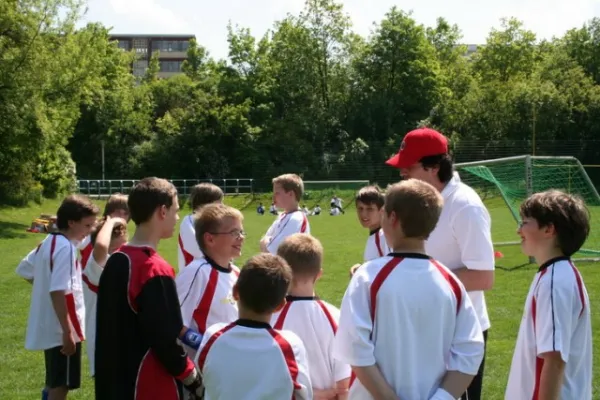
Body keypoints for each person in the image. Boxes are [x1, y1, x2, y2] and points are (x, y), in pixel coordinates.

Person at [333, 179, 485, 400]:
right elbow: (470, 351)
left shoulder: (367, 277)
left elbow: (354, 349)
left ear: (392, 218)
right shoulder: (452, 282)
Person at [384, 128, 495, 400]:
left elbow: (483, 277)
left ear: (433, 167)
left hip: (460, 335)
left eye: (408, 167)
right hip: (423, 325)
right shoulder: (422, 203)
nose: (402, 174)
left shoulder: (465, 206)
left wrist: (421, 280)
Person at [94, 177, 203, 400]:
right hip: (146, 385)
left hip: (113, 381)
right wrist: (192, 376)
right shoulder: (154, 269)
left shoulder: (116, 259)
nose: (177, 217)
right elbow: (167, 337)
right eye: (176, 209)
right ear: (162, 211)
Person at [505, 190, 592, 400]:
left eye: (525, 222)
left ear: (549, 229)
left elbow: (554, 359)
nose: (519, 230)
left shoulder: (555, 282)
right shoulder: (555, 274)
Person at [195, 253, 312, 399]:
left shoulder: (213, 336)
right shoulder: (289, 345)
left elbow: (203, 373)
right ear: (280, 305)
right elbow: (304, 395)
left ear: (235, 292)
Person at [16, 195, 99, 400]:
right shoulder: (66, 249)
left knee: (54, 379)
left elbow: (25, 269)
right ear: (71, 222)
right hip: (63, 328)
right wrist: (67, 331)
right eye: (87, 225)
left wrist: (44, 288)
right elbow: (58, 290)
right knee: (61, 386)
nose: (89, 231)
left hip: (52, 325)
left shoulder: (49, 241)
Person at [273, 233, 351, 399]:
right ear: (319, 274)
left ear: (283, 273)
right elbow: (343, 386)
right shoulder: (336, 316)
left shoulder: (270, 316)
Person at [176, 203, 244, 361]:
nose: (241, 237)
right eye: (234, 232)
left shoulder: (237, 273)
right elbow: (174, 323)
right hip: (205, 370)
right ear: (210, 239)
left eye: (241, 231)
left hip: (231, 364)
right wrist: (210, 346)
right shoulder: (196, 272)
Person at [82, 216, 128, 377]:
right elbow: (101, 247)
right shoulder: (96, 264)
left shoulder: (115, 261)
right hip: (103, 343)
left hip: (115, 342)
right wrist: (111, 222)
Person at [260, 173, 310, 254]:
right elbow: (265, 242)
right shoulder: (282, 215)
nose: (273, 197)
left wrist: (267, 242)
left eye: (277, 193)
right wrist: (266, 242)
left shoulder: (296, 219)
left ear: (290, 194)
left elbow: (271, 250)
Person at [178, 183, 224, 269]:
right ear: (206, 203)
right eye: (219, 202)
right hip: (194, 276)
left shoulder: (214, 222)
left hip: (213, 273)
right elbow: (197, 250)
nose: (222, 206)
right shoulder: (189, 221)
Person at [78, 193, 129, 268]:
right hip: (88, 277)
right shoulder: (94, 230)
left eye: (126, 213)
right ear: (109, 212)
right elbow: (75, 242)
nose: (121, 216)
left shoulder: (123, 235)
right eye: (117, 211)